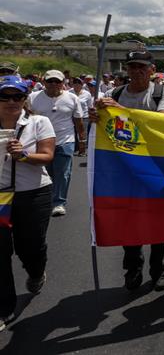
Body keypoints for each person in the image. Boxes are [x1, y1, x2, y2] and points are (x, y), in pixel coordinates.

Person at [91, 49, 164, 291]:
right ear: (126, 70)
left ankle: (158, 268)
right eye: (131, 67)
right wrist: (96, 116)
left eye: (141, 67)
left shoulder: (163, 93)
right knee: (128, 216)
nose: (136, 71)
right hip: (122, 167)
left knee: (158, 218)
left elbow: (162, 122)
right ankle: (132, 267)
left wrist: (119, 110)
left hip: (155, 166)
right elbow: (103, 125)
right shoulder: (114, 93)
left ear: (151, 69)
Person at [0, 76, 56, 331]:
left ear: (25, 99)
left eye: (17, 97)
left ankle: (36, 272)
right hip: (0, 197)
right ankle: (5, 307)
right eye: (5, 97)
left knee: (30, 248)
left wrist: (23, 155)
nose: (12, 102)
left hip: (33, 193)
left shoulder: (38, 122)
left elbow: (47, 155)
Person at [28, 70, 83, 216]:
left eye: (57, 81)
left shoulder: (72, 98)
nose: (53, 84)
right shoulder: (33, 97)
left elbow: (78, 121)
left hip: (65, 140)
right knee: (45, 173)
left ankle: (59, 202)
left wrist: (82, 141)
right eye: (50, 81)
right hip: (41, 142)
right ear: (44, 82)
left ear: (63, 83)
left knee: (63, 173)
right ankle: (47, 199)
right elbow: (27, 120)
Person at [68, 77, 93, 156]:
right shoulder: (69, 92)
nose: (77, 85)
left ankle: (82, 150)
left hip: (84, 116)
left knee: (82, 133)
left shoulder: (87, 94)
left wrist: (91, 116)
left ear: (82, 85)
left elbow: (90, 106)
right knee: (73, 133)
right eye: (75, 83)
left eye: (79, 83)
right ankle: (75, 149)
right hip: (72, 116)